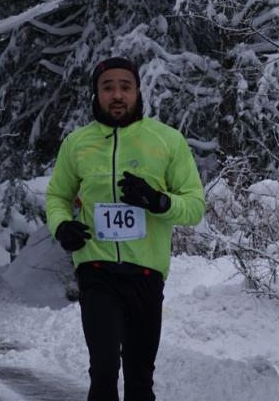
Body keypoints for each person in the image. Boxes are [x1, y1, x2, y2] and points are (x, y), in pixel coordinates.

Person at [45, 56, 206, 401]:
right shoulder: (77, 144)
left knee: (139, 378)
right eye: (108, 88)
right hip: (96, 271)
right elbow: (58, 195)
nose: (117, 95)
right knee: (103, 371)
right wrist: (62, 227)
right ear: (96, 94)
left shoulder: (166, 141)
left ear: (137, 92)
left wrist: (158, 201)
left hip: (145, 275)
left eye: (125, 87)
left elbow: (194, 206)